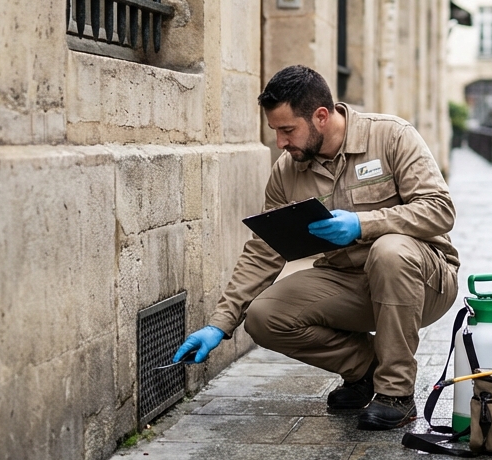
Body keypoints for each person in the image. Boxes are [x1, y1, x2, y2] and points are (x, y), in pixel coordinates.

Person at [175, 65, 459, 430]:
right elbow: (265, 249)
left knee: (389, 251)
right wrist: (220, 323)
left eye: (287, 130)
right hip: (347, 280)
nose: (280, 142)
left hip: (423, 280)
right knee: (264, 317)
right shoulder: (287, 170)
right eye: (275, 131)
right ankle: (367, 370)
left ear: (321, 116)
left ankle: (396, 394)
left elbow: (440, 209)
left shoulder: (391, 136)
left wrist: (363, 224)